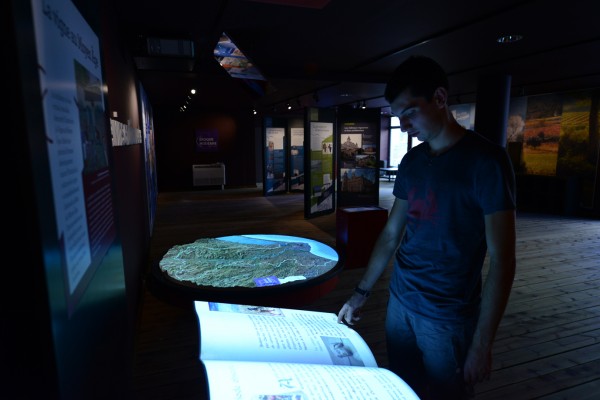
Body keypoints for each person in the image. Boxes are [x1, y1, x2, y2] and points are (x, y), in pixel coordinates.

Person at [337, 56, 516, 400]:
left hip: (447, 315)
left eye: (409, 112)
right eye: (398, 117)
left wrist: (482, 344)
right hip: (400, 301)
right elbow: (392, 234)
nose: (404, 126)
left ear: (439, 97)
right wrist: (361, 292)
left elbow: (503, 260)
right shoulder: (412, 162)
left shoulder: (487, 162)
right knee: (403, 387)